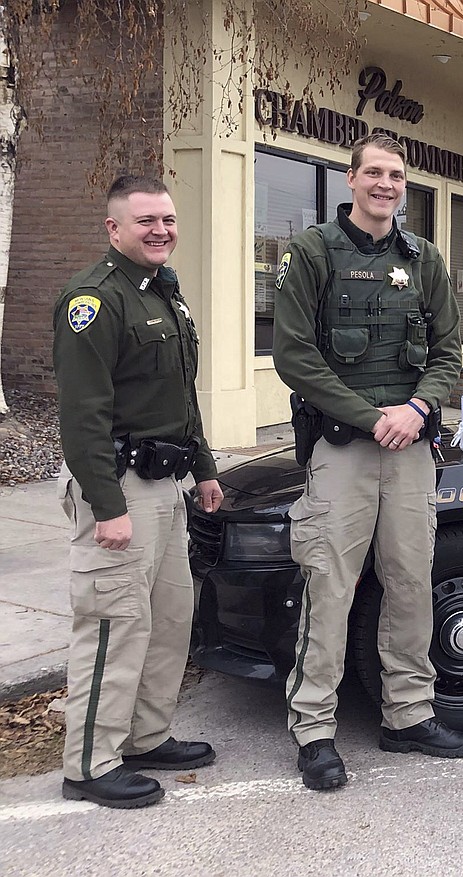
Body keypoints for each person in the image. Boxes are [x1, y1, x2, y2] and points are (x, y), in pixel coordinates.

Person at [272, 133, 463, 791]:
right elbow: (295, 356)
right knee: (329, 585)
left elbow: (450, 350)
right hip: (344, 451)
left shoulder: (424, 259)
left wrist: (416, 409)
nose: (387, 184)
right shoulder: (313, 253)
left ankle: (408, 713)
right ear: (351, 179)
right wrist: (373, 416)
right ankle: (314, 729)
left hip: (411, 450)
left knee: (413, 583)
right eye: (375, 173)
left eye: (396, 175)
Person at [52, 175, 222, 809]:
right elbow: (82, 416)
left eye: (168, 220)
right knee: (113, 627)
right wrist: (107, 506)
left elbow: (181, 398)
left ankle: (146, 736)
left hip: (167, 484)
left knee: (167, 623)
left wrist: (204, 467)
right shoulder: (94, 302)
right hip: (119, 487)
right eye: (146, 220)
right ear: (113, 228)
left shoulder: (165, 296)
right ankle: (90, 763)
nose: (161, 231)